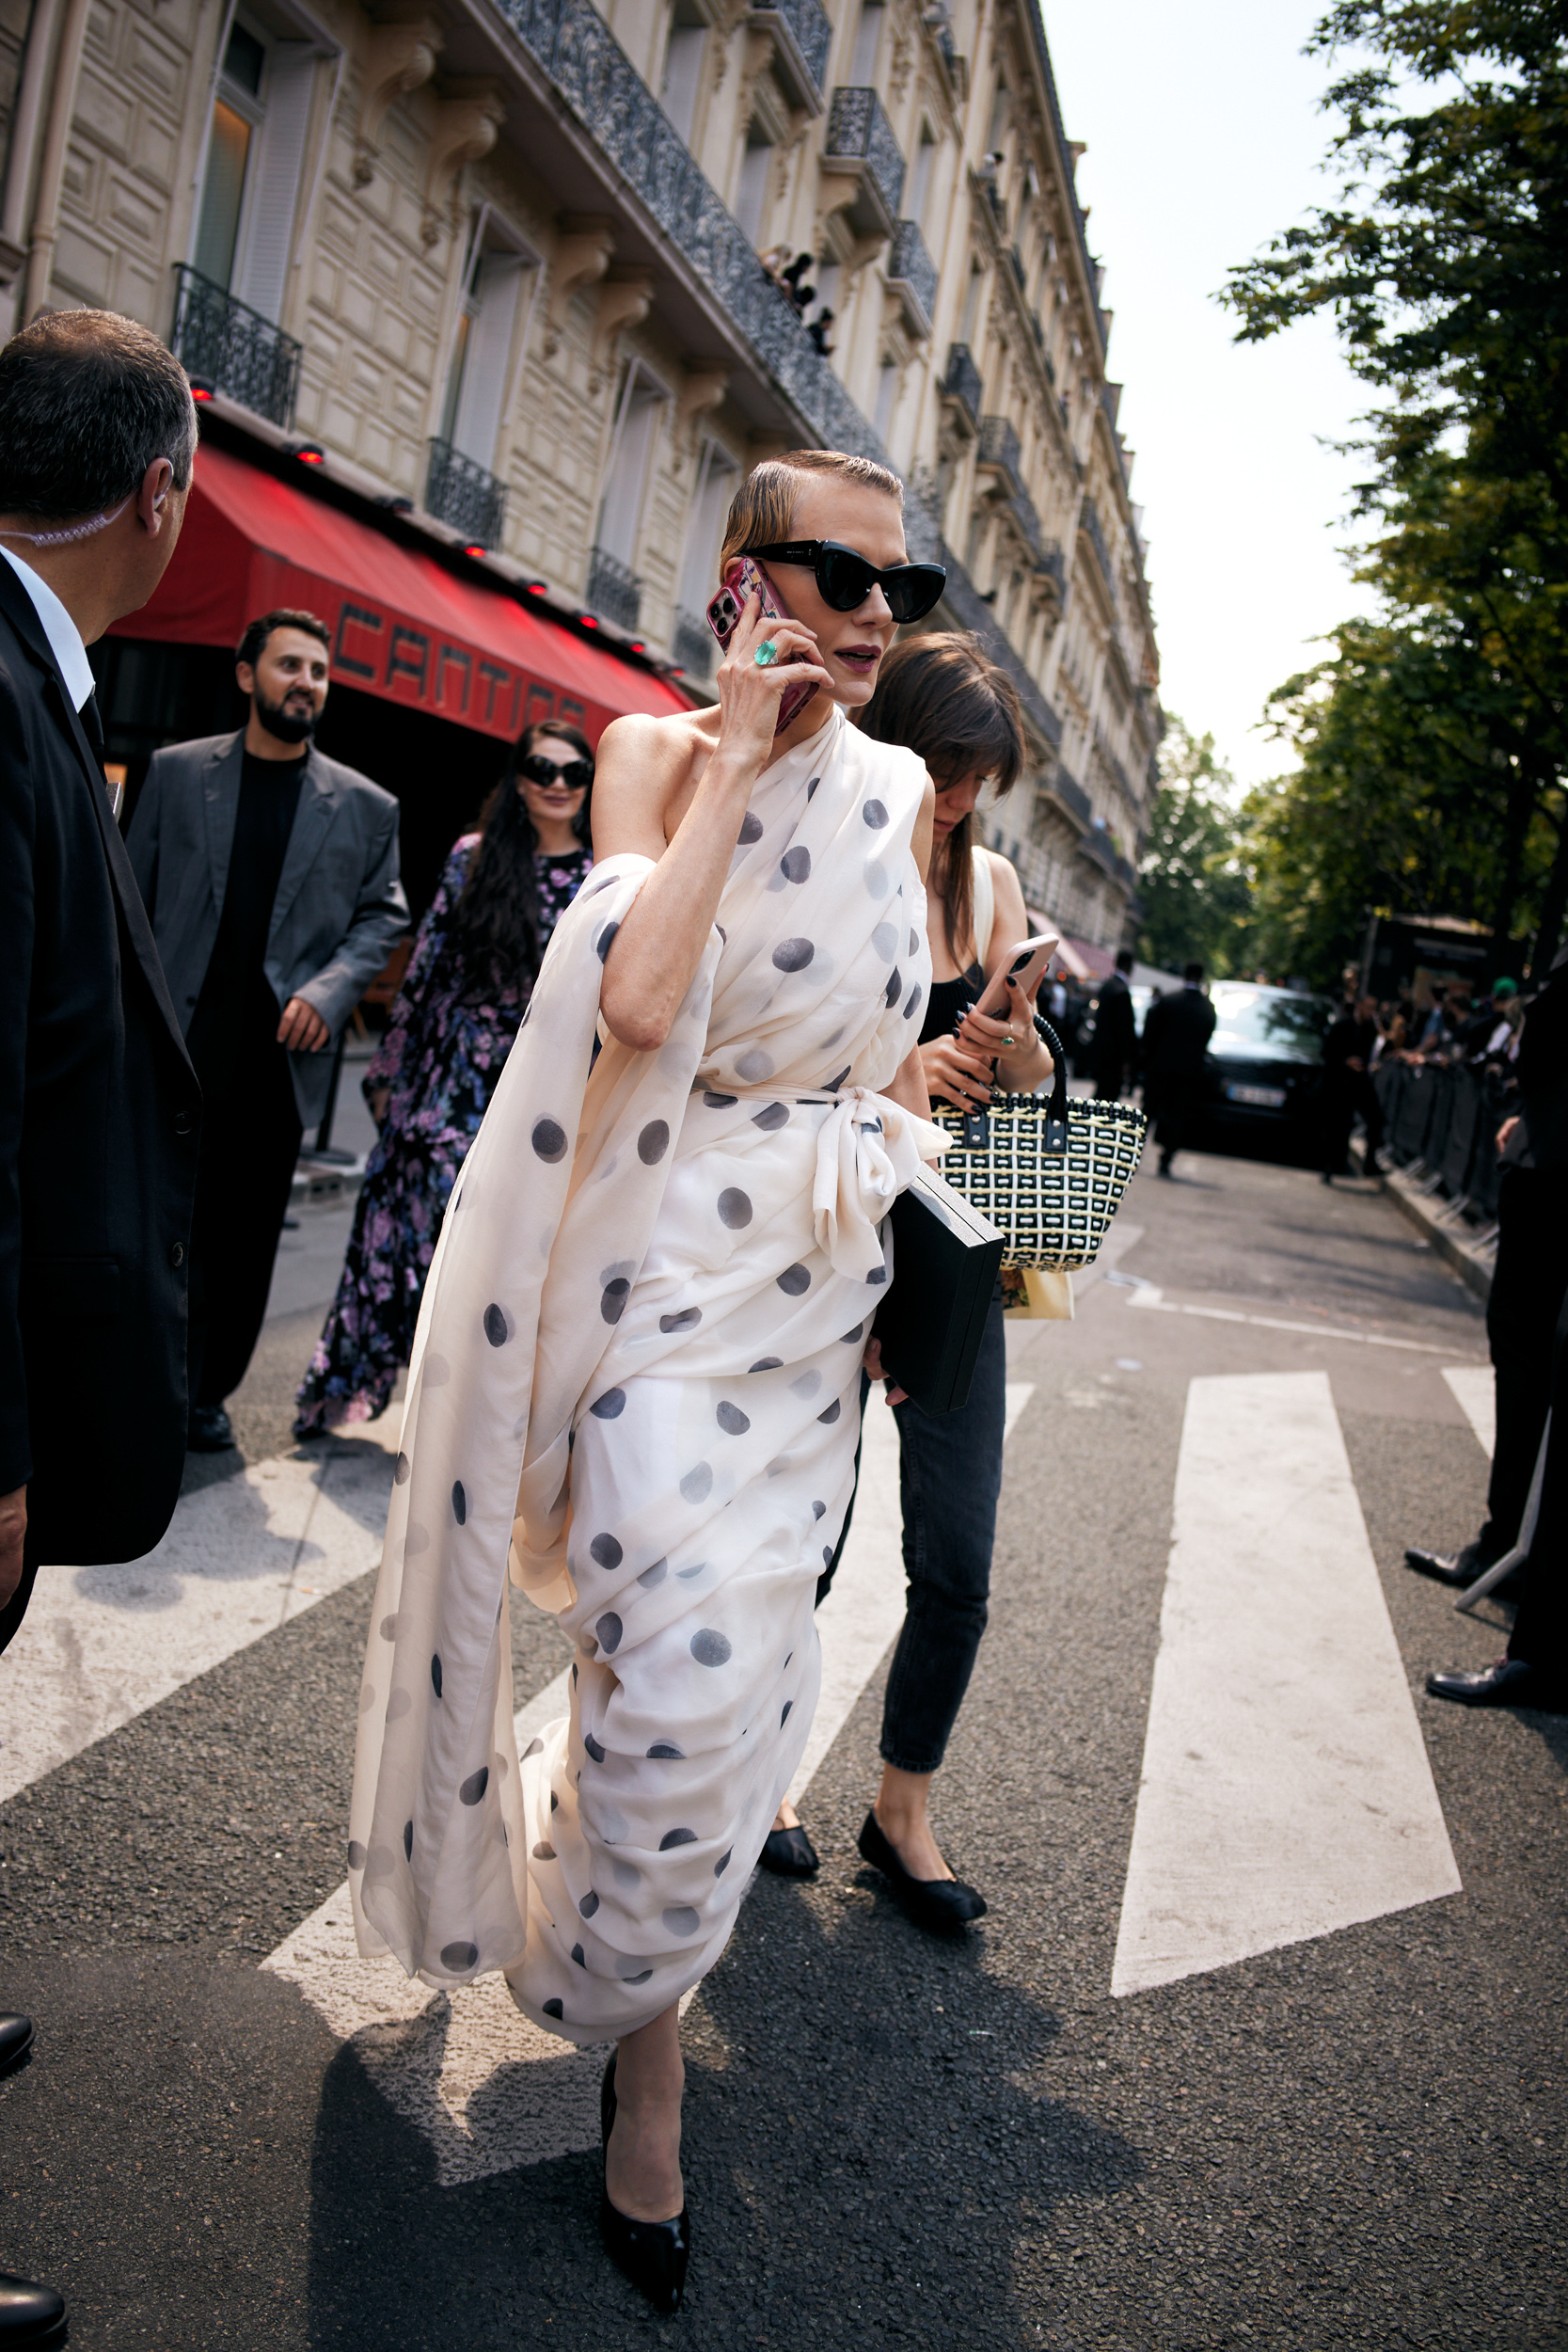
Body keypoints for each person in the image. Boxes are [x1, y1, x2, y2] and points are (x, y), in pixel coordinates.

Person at [345, 449, 946, 2312]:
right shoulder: (640, 753)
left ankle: (671, 2000)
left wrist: (984, 1141)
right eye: (831, 574)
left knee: (722, 1683)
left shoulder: (915, 798)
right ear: (739, 582)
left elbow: (889, 1081)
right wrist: (740, 776)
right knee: (676, 1679)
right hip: (656, 1295)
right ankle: (651, 2048)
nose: (867, 614)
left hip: (819, 1301)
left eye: (894, 586)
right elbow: (630, 1003)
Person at [0, 306, 203, 2352]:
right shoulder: (662, 823)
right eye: (820, 588)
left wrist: (1010, 1088)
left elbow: (1046, 1242)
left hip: (859, 1341)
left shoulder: (998, 908)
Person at [762, 631, 1053, 1930]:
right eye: (944, 766)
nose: (954, 797)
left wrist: (1009, 1044)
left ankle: (899, 1809)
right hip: (829, 1221)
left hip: (948, 1232)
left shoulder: (985, 880)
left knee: (959, 1554)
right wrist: (893, 1080)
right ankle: (759, 1779)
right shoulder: (834, 846)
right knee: (797, 1540)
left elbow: (1021, 1088)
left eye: (974, 777)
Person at [127, 610, 408, 1451]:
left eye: (319, 672)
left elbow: (382, 915)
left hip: (280, 1061)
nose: (307, 684)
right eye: (290, 666)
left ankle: (206, 1393)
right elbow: (130, 900)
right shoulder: (175, 775)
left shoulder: (365, 806)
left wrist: (329, 991)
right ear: (247, 676)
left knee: (243, 1237)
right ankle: (143, 1376)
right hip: (175, 1043)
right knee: (155, 1221)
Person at [293, 723, 595, 1435]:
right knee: (403, 1236)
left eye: (572, 771)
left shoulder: (599, 879)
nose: (556, 783)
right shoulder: (474, 857)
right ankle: (352, 1383)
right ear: (518, 779)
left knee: (493, 1260)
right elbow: (425, 972)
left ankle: (458, 1415)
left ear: (588, 784)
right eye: (540, 768)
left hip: (532, 1089)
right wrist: (390, 1084)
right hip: (445, 1078)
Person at [1406, 951, 1568, 1610]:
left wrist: (1541, 1126)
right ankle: (1510, 1544)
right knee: (1528, 1372)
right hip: (1545, 1154)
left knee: (1527, 1370)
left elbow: (1549, 1028)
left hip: (1552, 1179)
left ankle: (1511, 1547)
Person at [1141, 961, 1215, 1176]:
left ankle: (1133, 1154)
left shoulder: (1167, 1002)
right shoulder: (1207, 1009)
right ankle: (1166, 1159)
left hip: (1160, 1069)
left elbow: (1150, 1034)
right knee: (1177, 1117)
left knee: (1148, 1113)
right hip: (1188, 1074)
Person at [1320, 993, 1385, 1183]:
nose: (1370, 1012)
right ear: (1359, 1006)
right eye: (1367, 1007)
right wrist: (1346, 1061)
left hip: (1360, 1082)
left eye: (1373, 1008)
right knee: (1337, 1125)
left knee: (1376, 1118)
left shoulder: (1370, 1029)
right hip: (1340, 1083)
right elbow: (1327, 1052)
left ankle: (1370, 1161)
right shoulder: (1342, 1026)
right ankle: (1329, 1166)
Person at [1090, 947, 1138, 1101]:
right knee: (1108, 1095)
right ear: (1129, 966)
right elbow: (1123, 1029)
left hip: (1102, 1050)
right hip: (1114, 1055)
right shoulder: (1121, 991)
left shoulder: (1107, 986)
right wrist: (1127, 1058)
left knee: (1102, 1092)